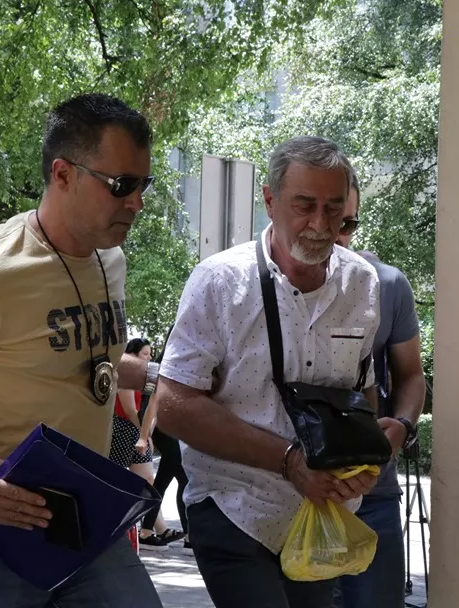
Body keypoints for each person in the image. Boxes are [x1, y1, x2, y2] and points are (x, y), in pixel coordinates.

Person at [0, 93, 163, 607]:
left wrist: (156, 376)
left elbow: (84, 361)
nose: (137, 203)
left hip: (86, 532)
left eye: (143, 185)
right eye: (121, 185)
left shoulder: (110, 261)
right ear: (63, 174)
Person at [155, 136, 386, 608]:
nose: (321, 224)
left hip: (322, 515)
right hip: (234, 505)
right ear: (269, 200)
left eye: (334, 207)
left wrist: (361, 463)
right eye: (305, 205)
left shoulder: (362, 283)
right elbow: (174, 407)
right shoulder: (220, 281)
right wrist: (288, 461)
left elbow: (361, 395)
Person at [332, 173, 426, 608]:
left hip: (373, 491)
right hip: (286, 494)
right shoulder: (263, 283)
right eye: (311, 209)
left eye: (346, 222)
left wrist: (402, 425)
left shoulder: (387, 285)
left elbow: (411, 375)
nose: (333, 231)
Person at [110, 338, 183, 550]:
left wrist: (145, 433)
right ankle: (144, 529)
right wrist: (143, 435)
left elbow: (153, 404)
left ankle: (152, 529)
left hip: (135, 430)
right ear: (132, 355)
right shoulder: (126, 372)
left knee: (147, 480)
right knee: (122, 479)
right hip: (123, 429)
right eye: (145, 354)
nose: (149, 358)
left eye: (150, 354)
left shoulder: (148, 377)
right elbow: (130, 410)